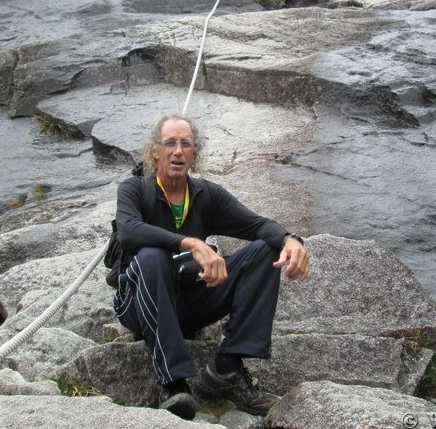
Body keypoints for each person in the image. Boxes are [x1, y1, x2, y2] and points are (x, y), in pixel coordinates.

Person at [112, 115, 310, 420]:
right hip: (140, 304)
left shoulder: (205, 195)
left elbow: (257, 224)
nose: (178, 151)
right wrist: (191, 244)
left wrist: (290, 240)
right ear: (155, 151)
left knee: (266, 250)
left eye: (186, 144)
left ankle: (227, 367)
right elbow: (128, 231)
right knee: (152, 257)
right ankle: (174, 383)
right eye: (170, 143)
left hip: (188, 302)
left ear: (194, 153)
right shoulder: (135, 190)